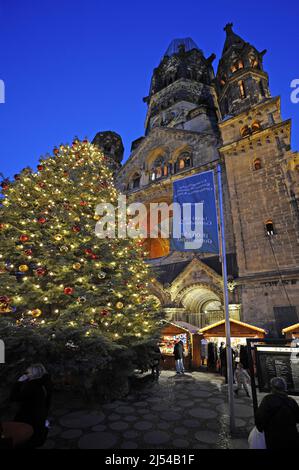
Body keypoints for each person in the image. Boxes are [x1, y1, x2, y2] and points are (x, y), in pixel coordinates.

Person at [10, 363, 52, 448]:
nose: (26, 374)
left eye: (28, 373)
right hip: (40, 414)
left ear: (33, 374)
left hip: (29, 417)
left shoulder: (32, 387)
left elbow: (13, 398)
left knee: (27, 438)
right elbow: (47, 401)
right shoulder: (45, 383)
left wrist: (18, 383)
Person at [255, 377, 299, 449]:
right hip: (291, 438)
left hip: (274, 439)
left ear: (272, 388)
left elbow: (260, 420)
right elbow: (298, 418)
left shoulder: (268, 400)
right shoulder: (291, 401)